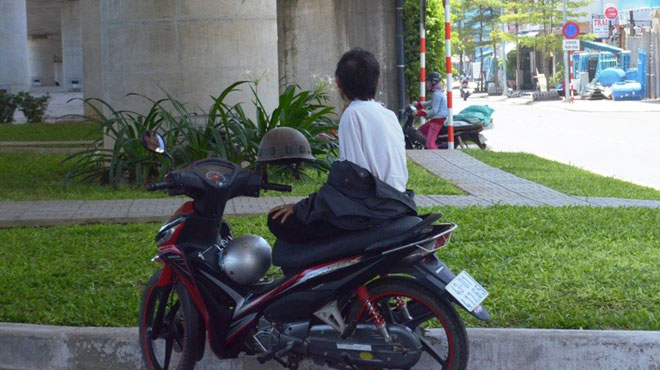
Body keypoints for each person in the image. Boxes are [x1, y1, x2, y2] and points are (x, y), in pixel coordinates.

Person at [267, 48, 416, 244]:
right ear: (377, 81)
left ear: (338, 82)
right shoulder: (388, 114)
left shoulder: (352, 115)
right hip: (397, 203)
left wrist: (301, 207)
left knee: (277, 220)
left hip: (372, 210)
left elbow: (352, 183)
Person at [416, 72, 448, 149]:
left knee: (429, 145)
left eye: (428, 82)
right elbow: (431, 102)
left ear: (433, 82)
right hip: (435, 120)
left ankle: (436, 157)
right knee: (420, 131)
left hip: (437, 121)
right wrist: (419, 104)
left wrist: (420, 113)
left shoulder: (436, 94)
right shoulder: (437, 92)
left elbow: (434, 111)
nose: (427, 84)